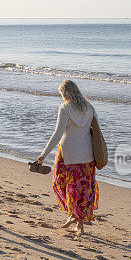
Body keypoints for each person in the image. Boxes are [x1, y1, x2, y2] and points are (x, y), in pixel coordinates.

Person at [35, 80, 99, 234]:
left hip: (67, 154)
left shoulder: (65, 108)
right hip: (87, 155)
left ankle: (73, 214)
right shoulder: (89, 107)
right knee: (83, 188)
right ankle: (79, 223)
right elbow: (96, 129)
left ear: (65, 93)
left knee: (62, 183)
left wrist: (43, 155)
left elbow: (57, 134)